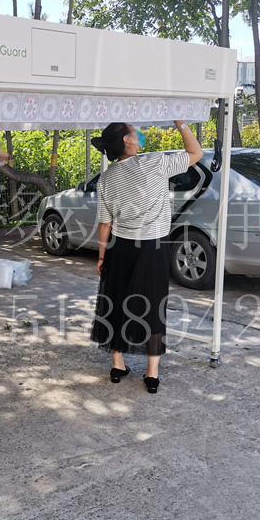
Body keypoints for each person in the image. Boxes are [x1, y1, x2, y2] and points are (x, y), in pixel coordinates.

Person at [91, 121, 203, 394]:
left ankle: (117, 365)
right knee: (152, 305)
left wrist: (102, 257)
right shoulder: (154, 163)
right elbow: (196, 153)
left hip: (119, 247)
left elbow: (105, 223)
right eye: (134, 131)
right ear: (127, 140)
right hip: (153, 246)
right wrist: (181, 123)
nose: (139, 135)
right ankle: (152, 373)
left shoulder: (106, 178)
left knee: (116, 302)